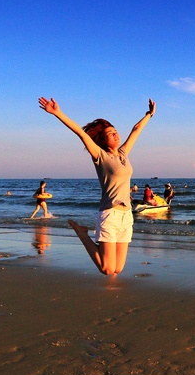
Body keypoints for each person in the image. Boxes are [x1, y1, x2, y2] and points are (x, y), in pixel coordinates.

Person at [38, 96, 155, 276]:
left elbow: (136, 130)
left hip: (126, 217)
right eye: (110, 133)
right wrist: (57, 113)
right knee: (107, 269)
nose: (116, 134)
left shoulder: (123, 154)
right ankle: (82, 233)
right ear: (102, 140)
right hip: (110, 213)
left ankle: (84, 233)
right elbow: (81, 133)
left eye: (116, 131)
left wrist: (149, 114)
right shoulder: (100, 155)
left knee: (118, 268)